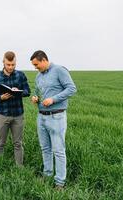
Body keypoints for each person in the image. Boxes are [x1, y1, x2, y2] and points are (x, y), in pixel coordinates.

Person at [30, 50, 77, 189]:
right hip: (41, 117)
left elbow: (72, 88)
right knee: (45, 148)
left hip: (56, 117)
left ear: (44, 60)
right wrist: (35, 97)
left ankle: (59, 183)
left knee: (58, 151)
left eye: (37, 65)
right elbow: (36, 91)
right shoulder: (38, 76)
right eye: (34, 66)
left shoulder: (59, 70)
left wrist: (53, 99)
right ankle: (47, 175)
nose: (35, 68)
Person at [0, 51, 31, 166]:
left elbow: (28, 91)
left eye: (13, 64)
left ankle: (19, 167)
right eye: (8, 64)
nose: (11, 67)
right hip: (2, 114)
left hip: (18, 114)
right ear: (3, 62)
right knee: (1, 143)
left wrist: (19, 92)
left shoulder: (21, 75)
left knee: (18, 143)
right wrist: (0, 97)